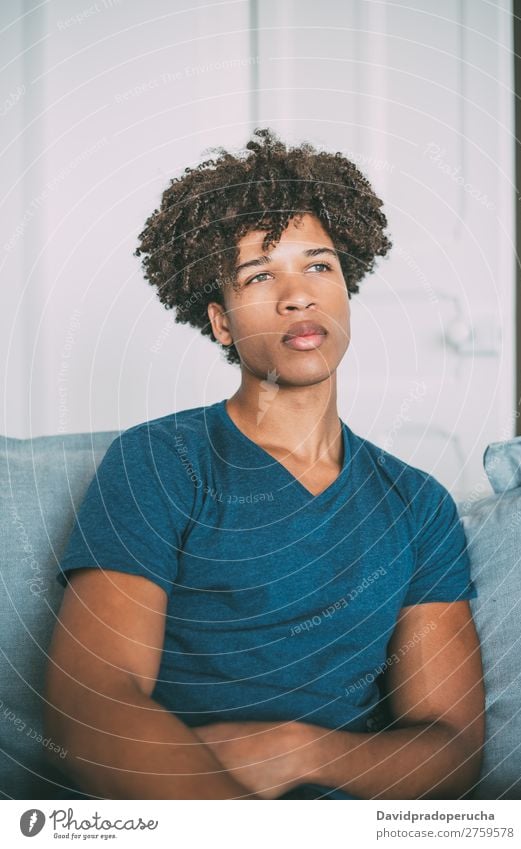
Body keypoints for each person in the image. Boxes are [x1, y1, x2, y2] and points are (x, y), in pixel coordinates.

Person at [44, 127, 484, 800]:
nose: (297, 296)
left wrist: (300, 749)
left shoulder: (417, 504)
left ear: (345, 288)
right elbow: (92, 701)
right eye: (259, 276)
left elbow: (451, 744)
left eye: (319, 265)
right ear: (221, 321)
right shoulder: (159, 461)